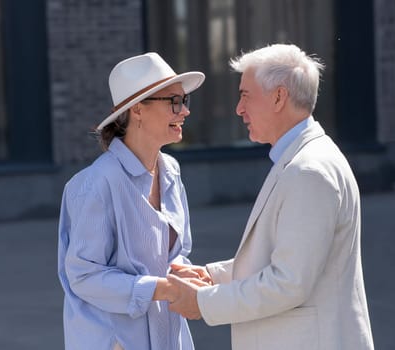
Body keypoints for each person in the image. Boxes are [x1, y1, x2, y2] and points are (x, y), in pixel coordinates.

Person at [167, 43, 375, 349]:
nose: (239, 109)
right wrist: (214, 276)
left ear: (279, 97)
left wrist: (203, 302)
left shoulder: (309, 170)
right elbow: (284, 258)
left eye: (245, 95)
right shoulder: (302, 159)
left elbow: (289, 283)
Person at [57, 52, 206, 349]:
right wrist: (161, 288)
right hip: (114, 340)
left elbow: (173, 253)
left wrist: (181, 271)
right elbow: (84, 276)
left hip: (168, 334)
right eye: (174, 102)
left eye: (184, 101)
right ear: (138, 109)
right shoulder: (96, 183)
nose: (184, 111)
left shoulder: (171, 171)